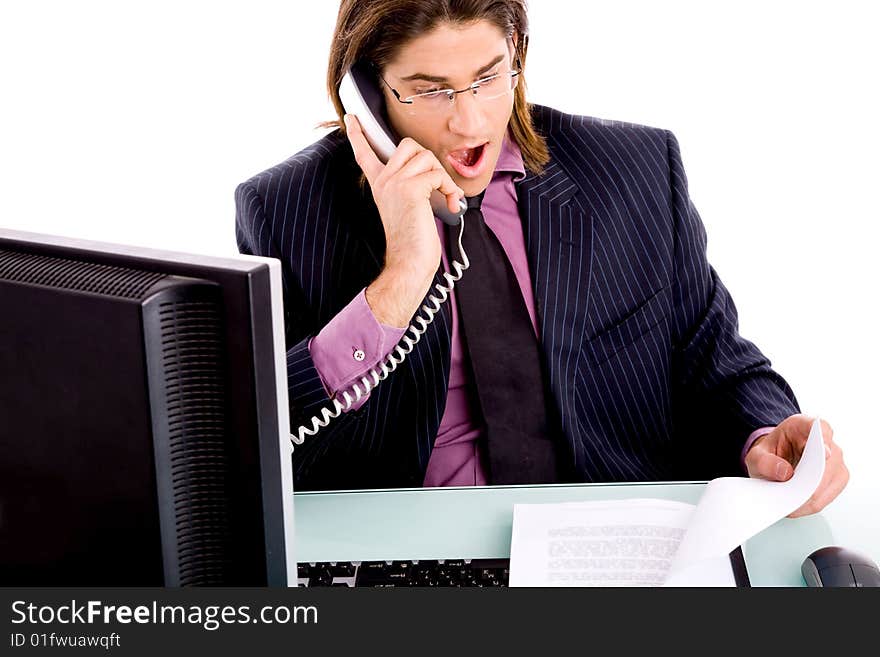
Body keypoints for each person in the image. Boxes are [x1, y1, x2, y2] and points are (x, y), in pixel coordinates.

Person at [235, 0, 848, 515]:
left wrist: (765, 433)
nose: (470, 120)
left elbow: (715, 359)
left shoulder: (633, 171)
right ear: (366, 92)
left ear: (517, 55)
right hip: (409, 552)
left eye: (487, 77)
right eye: (430, 91)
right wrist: (401, 278)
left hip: (611, 543)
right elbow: (260, 444)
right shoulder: (286, 207)